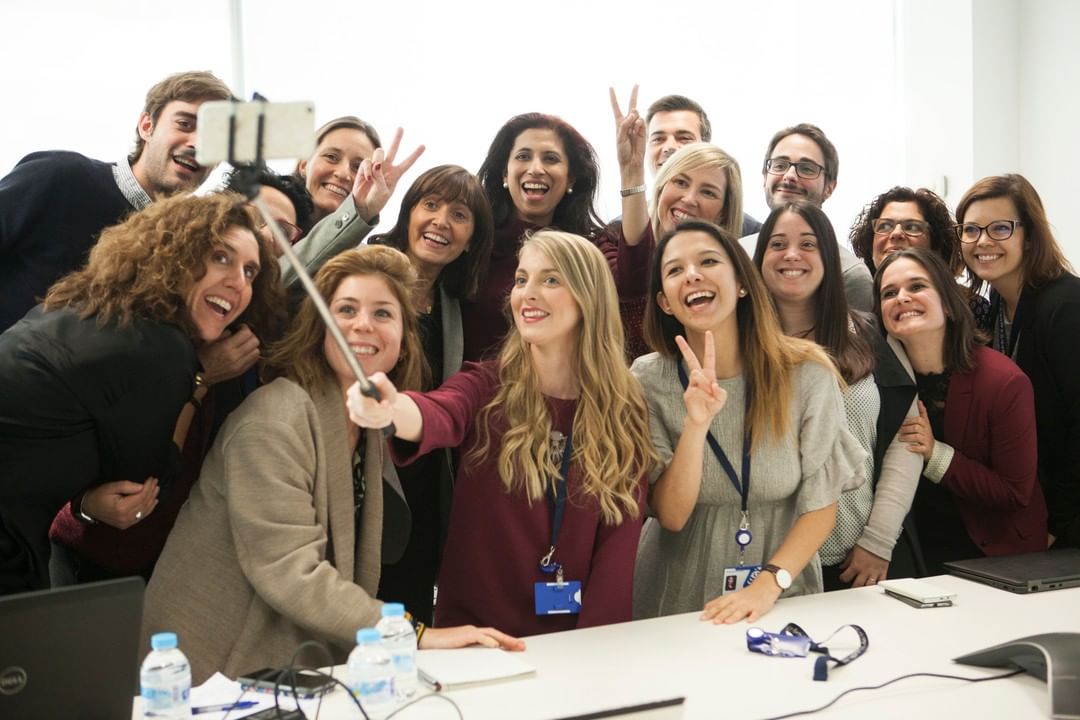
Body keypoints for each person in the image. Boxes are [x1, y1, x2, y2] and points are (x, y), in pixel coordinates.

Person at [142, 246, 523, 683]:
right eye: (346, 309)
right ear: (320, 327)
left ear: (403, 342)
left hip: (283, 665)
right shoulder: (274, 419)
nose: (363, 324)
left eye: (383, 313)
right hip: (205, 669)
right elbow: (291, 572)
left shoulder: (366, 423)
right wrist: (416, 634)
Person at [348, 231, 653, 638]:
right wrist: (391, 408)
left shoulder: (623, 409)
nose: (527, 293)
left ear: (588, 297)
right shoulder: (485, 385)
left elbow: (619, 547)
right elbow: (438, 411)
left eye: (550, 279)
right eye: (522, 279)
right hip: (477, 639)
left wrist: (596, 648)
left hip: (576, 644)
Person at [0, 192, 282, 595]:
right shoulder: (160, 351)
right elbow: (143, 494)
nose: (239, 282)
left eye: (251, 272)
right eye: (221, 257)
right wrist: (200, 379)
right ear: (177, 255)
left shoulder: (87, 304)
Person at [631, 220, 864, 622]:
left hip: (780, 593)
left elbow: (821, 505)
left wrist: (768, 584)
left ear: (741, 283)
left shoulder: (807, 372)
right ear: (665, 302)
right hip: (676, 595)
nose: (692, 275)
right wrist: (696, 425)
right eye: (675, 269)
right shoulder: (647, 378)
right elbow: (671, 515)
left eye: (708, 261)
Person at [753, 203, 921, 589]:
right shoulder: (740, 346)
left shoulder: (870, 335)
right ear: (759, 260)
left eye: (807, 244)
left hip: (859, 561)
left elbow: (907, 440)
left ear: (829, 258)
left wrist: (878, 540)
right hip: (767, 562)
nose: (791, 255)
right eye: (777, 244)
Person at [0, 70, 233, 331]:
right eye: (185, 124)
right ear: (147, 126)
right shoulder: (60, 176)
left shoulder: (184, 249)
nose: (197, 144)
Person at [367, 165, 495, 623]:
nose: (442, 221)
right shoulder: (368, 278)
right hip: (363, 485)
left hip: (423, 497)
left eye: (459, 214)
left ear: (471, 239)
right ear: (409, 213)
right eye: (431, 205)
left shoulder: (455, 306)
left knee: (410, 630)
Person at [875, 248, 1047, 575]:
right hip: (910, 546)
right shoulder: (875, 381)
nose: (902, 298)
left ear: (947, 302)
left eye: (917, 286)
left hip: (991, 552)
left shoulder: (1003, 381)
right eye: (889, 293)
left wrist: (934, 453)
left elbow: (1014, 492)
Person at [955, 174, 1080, 549]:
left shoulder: (1067, 307)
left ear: (1029, 236)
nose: (983, 241)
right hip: (1034, 510)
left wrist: (1057, 522)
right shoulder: (993, 307)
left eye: (1000, 228)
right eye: (971, 230)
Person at [463, 112, 651, 360]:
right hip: (475, 384)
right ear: (505, 174)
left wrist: (632, 172)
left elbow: (633, 282)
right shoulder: (473, 243)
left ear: (570, 178)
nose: (536, 169)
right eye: (523, 156)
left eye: (550, 159)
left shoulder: (589, 247)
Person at [609, 85, 744, 358]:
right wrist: (631, 173)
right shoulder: (614, 234)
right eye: (680, 182)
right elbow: (631, 284)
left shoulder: (746, 244)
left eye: (683, 138)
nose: (670, 148)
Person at [283, 117, 425, 301]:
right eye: (331, 157)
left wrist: (363, 209)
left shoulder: (363, 261)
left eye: (358, 167)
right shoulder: (266, 217)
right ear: (304, 165)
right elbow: (272, 282)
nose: (344, 174)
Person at [739, 123, 873, 312]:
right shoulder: (738, 254)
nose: (789, 176)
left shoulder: (850, 276)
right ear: (764, 177)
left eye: (807, 169)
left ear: (830, 187)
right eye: (780, 165)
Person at [644, 93, 762, 236]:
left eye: (684, 138)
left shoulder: (752, 235)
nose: (669, 147)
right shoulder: (623, 231)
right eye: (658, 139)